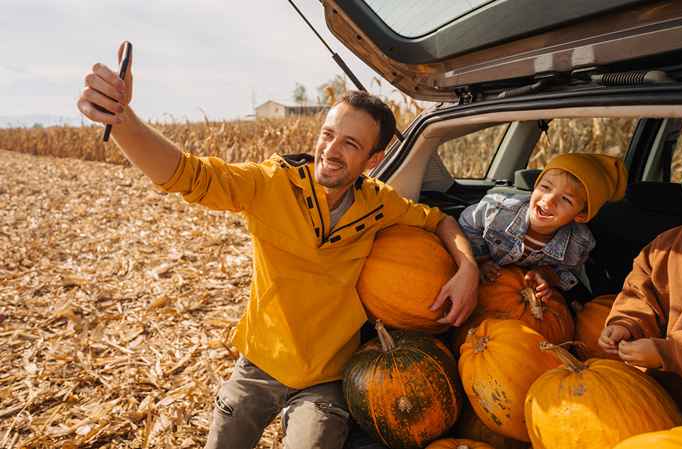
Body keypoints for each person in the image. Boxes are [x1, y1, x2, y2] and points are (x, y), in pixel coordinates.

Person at [77, 42, 480, 449]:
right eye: (328, 135)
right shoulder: (272, 184)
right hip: (259, 363)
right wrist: (124, 121)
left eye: (350, 145)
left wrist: (468, 269)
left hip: (326, 379)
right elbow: (190, 176)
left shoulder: (379, 203)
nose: (331, 151)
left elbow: (440, 221)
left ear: (373, 160)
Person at [599, 140, 682, 425]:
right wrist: (625, 325)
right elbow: (640, 293)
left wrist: (666, 352)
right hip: (662, 394)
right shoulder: (667, 246)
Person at [459, 153, 627, 302]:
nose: (548, 200)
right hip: (476, 285)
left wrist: (547, 275)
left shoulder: (579, 243)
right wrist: (481, 260)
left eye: (566, 199)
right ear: (536, 186)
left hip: (521, 298)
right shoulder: (499, 209)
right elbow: (467, 222)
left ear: (581, 215)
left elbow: (568, 272)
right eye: (545, 187)